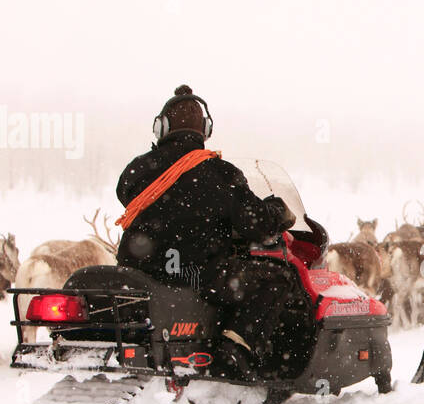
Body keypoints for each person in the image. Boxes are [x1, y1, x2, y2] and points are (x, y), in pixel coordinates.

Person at [114, 84, 326, 378]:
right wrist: (278, 211)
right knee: (279, 278)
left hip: (140, 269)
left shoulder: (139, 169)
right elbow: (255, 222)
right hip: (195, 272)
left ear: (161, 128)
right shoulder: (220, 173)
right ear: (205, 130)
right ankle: (234, 350)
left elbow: (126, 194)